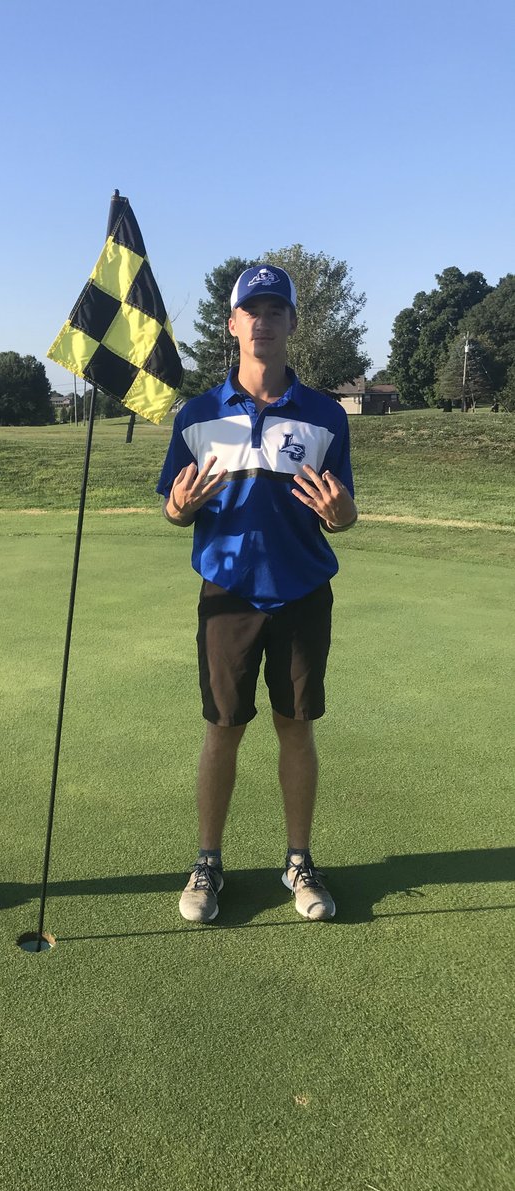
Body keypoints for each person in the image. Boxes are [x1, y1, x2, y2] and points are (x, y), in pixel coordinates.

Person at [157, 264, 358, 924]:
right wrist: (179, 508)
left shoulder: (325, 414)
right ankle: (208, 862)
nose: (264, 322)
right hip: (229, 594)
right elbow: (174, 506)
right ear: (233, 323)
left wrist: (342, 516)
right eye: (253, 311)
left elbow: (345, 508)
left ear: (293, 324)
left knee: (295, 729)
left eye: (277, 311)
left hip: (301, 591)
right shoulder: (198, 414)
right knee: (223, 730)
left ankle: (298, 861)